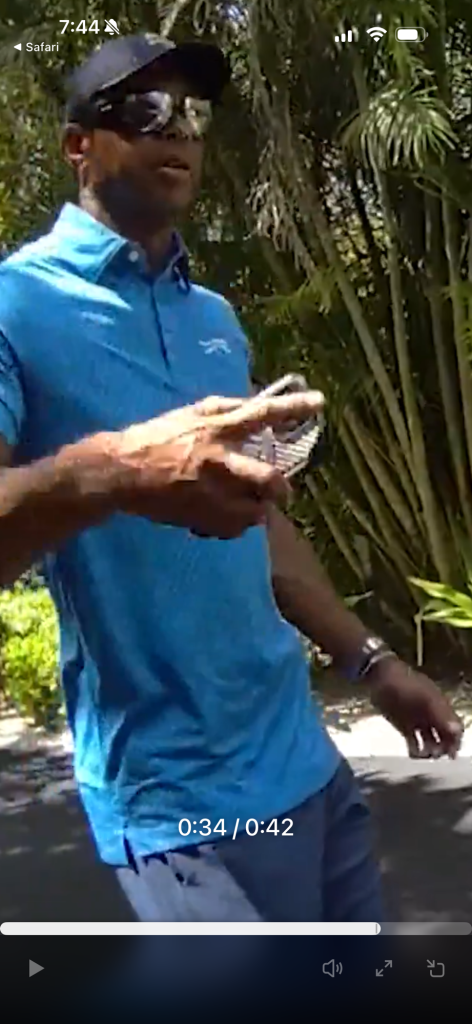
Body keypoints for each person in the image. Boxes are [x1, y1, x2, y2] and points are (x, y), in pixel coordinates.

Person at [0, 33, 463, 923]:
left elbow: (263, 520)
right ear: (78, 145)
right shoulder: (16, 306)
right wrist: (118, 470)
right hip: (177, 802)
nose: (178, 130)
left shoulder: (211, 317)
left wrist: (371, 661)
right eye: (145, 110)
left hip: (306, 767)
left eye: (193, 113)